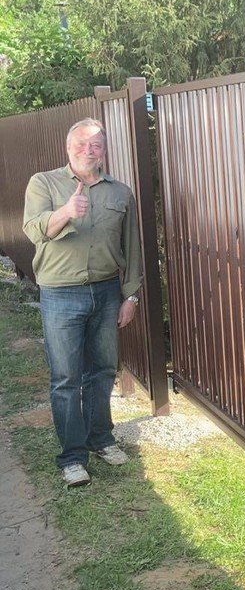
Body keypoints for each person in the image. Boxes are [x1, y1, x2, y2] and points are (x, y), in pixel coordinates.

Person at [22, 117, 143, 488]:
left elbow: (132, 248)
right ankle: (73, 458)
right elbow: (34, 230)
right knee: (65, 379)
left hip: (106, 292)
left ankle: (101, 438)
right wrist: (66, 212)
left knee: (103, 370)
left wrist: (131, 295)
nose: (88, 151)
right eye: (81, 144)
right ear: (68, 147)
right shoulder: (44, 183)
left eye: (95, 145)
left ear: (104, 150)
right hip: (60, 293)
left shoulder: (120, 192)